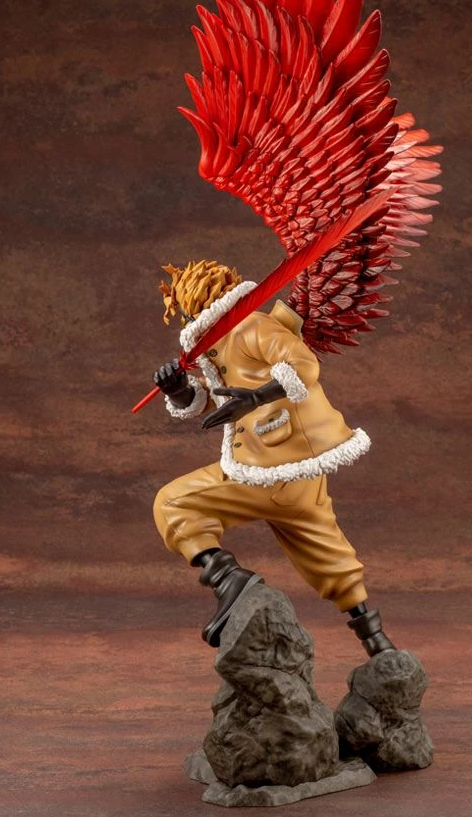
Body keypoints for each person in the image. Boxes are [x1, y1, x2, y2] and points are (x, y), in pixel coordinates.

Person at [152, 259, 395, 654]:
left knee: (173, 503)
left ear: (201, 306)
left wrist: (255, 399)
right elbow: (215, 397)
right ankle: (378, 643)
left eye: (188, 312)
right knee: (328, 554)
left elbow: (303, 365)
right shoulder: (225, 340)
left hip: (269, 469)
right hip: (300, 478)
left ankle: (227, 578)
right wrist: (178, 390)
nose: (187, 320)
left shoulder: (252, 328)